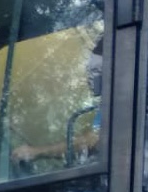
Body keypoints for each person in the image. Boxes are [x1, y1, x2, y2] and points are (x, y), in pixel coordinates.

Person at [13, 34, 104, 166]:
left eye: (95, 71)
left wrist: (37, 152)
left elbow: (94, 139)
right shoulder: (106, 105)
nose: (90, 77)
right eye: (90, 70)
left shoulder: (121, 103)